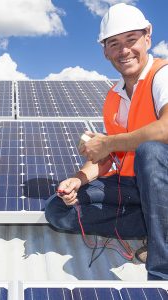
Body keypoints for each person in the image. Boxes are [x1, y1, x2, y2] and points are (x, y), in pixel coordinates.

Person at [45, 3, 168, 280]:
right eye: (114, 43)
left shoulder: (163, 75)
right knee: (58, 210)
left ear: (147, 37)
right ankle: (154, 224)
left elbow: (166, 129)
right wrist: (77, 179)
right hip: (132, 186)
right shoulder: (113, 96)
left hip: (164, 180)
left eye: (131, 40)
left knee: (150, 151)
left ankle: (162, 272)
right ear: (105, 50)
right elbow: (107, 158)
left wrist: (110, 143)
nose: (124, 50)